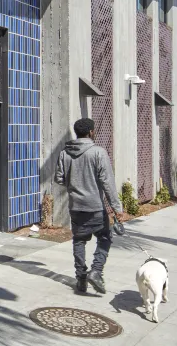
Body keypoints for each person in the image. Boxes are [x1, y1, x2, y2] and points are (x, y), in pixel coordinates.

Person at [54, 118, 122, 295]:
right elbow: (108, 183)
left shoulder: (64, 153)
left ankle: (81, 278)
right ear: (91, 132)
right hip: (95, 207)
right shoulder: (98, 152)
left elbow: (59, 179)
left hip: (76, 206)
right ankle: (96, 271)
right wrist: (117, 208)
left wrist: (74, 184)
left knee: (79, 240)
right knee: (105, 237)